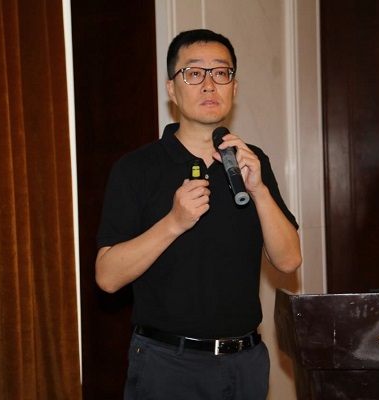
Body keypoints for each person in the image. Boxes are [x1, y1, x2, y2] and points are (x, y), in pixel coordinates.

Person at [96, 29, 302, 400]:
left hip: (246, 363)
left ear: (234, 88)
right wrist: (173, 223)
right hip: (167, 364)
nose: (209, 84)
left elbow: (288, 261)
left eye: (221, 73)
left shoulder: (252, 161)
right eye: (194, 73)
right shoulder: (137, 168)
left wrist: (259, 190)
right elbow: (108, 277)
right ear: (172, 90)